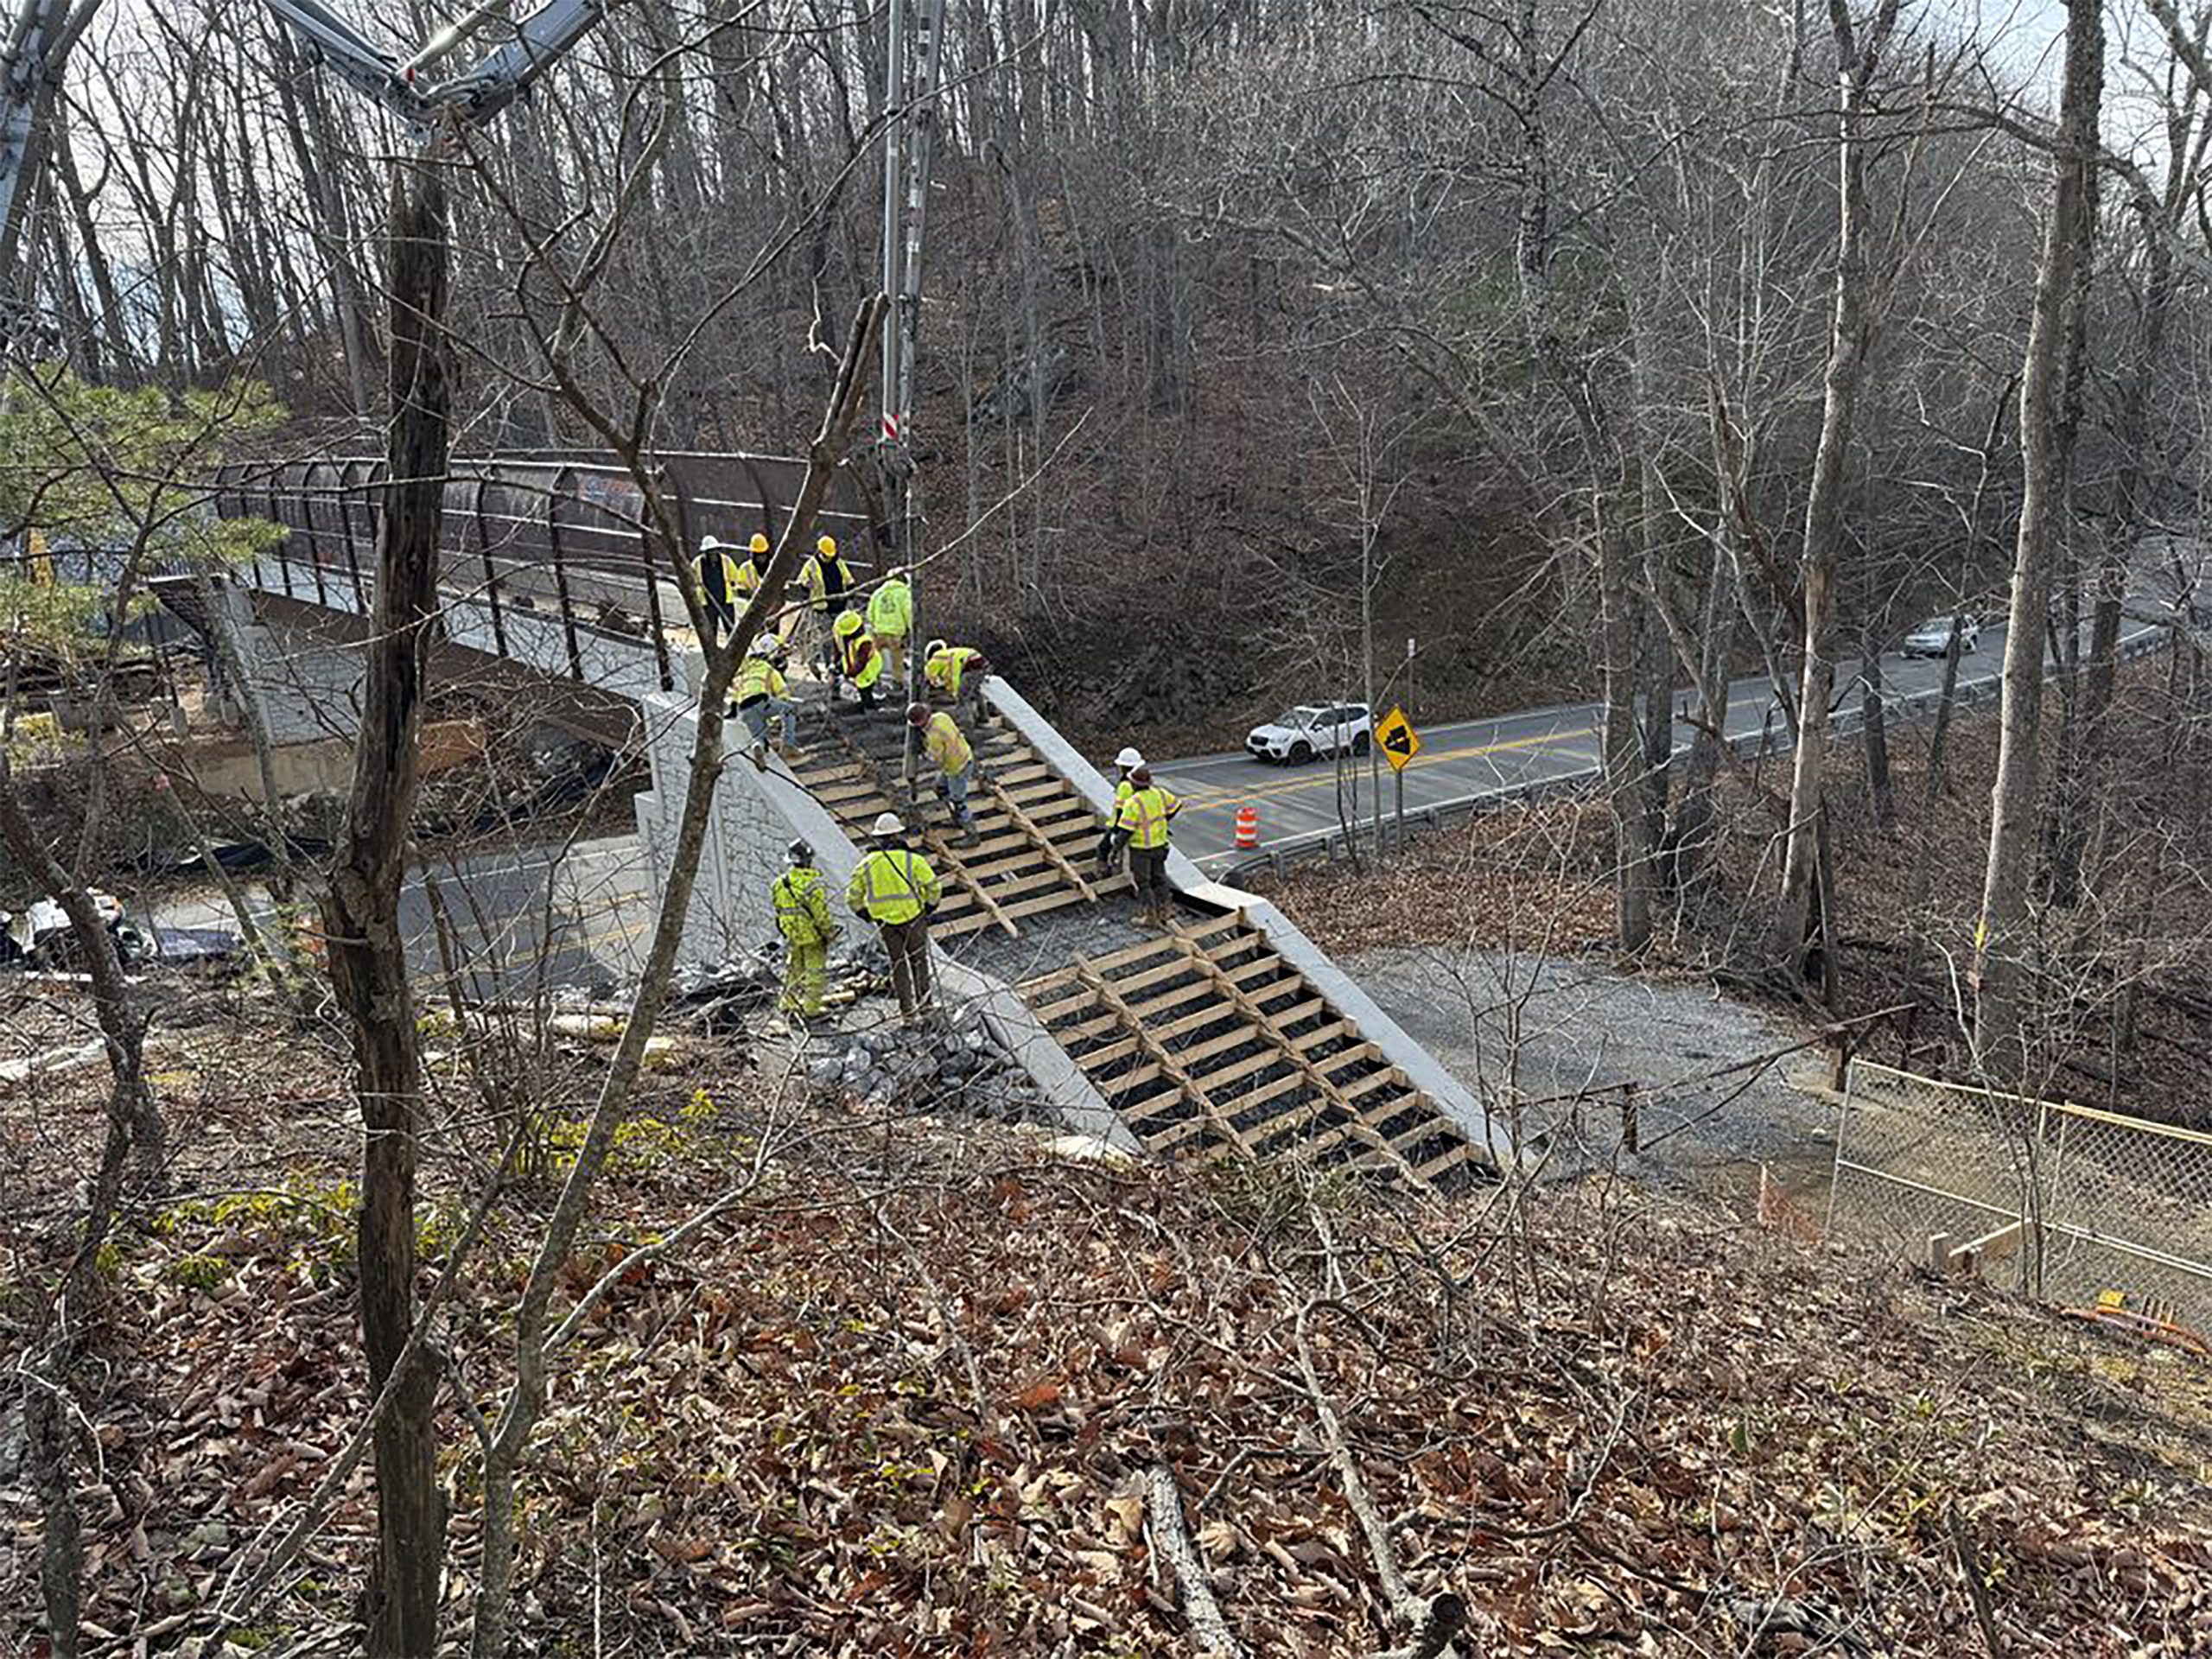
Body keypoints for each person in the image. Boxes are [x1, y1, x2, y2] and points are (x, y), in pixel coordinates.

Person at [847, 811, 942, 1020]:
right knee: (919, 962)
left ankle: (907, 1012)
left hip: (887, 924)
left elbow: (852, 896)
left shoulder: (867, 864)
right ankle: (925, 1006)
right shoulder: (913, 860)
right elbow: (933, 886)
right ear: (898, 836)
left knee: (898, 965)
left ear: (879, 838)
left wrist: (864, 913)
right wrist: (929, 906)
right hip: (914, 918)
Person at [771, 839, 837, 1019]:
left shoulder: (779, 883)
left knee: (793, 969)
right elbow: (820, 914)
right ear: (808, 860)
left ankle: (788, 1003)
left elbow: (778, 908)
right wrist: (829, 932)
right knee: (815, 972)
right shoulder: (813, 884)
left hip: (791, 933)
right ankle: (811, 1009)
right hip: (811, 934)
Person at [1113, 764, 1181, 927]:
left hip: (1141, 849)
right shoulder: (1159, 794)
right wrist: (1165, 819)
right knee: (1159, 878)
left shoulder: (1133, 802)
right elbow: (1176, 805)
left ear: (1134, 784)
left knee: (1143, 882)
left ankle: (1151, 916)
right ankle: (1165, 910)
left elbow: (1125, 832)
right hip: (1160, 845)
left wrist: (1115, 849)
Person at [910, 701, 978, 838]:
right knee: (939, 788)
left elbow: (936, 759)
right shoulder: (942, 716)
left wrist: (923, 751)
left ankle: (972, 834)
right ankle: (957, 817)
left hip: (957, 768)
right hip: (964, 756)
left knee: (958, 801)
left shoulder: (934, 737)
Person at [732, 635, 804, 761]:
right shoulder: (769, 669)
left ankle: (758, 747)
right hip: (762, 702)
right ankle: (788, 745)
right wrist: (779, 715)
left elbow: (735, 692)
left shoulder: (745, 671)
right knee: (789, 710)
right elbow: (783, 696)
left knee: (761, 738)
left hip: (744, 709)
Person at [802, 534, 855, 677]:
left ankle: (839, 666)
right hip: (822, 609)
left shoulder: (839, 563)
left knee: (841, 639)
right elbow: (802, 582)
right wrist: (806, 585)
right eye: (827, 555)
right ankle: (828, 666)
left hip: (839, 607)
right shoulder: (811, 565)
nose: (830, 558)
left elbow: (849, 580)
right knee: (826, 639)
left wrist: (850, 597)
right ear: (820, 552)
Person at [1096, 745, 1144, 874]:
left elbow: (1120, 810)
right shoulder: (1141, 783)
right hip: (1137, 825)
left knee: (1102, 849)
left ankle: (1104, 871)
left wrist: (1116, 831)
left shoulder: (1125, 786)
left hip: (1121, 826)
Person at [832, 600, 885, 710]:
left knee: (865, 688)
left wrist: (848, 674)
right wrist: (836, 664)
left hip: (868, 669)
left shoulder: (865, 643)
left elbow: (861, 663)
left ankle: (870, 707)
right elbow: (838, 648)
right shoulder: (842, 634)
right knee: (861, 685)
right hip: (854, 664)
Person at [692, 535, 742, 650]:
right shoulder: (697, 563)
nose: (713, 554)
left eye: (714, 551)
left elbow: (735, 577)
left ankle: (733, 651)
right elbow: (692, 581)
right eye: (710, 552)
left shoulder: (726, 561)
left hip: (725, 601)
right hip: (708, 603)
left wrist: (733, 587)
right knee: (710, 630)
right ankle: (712, 651)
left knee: (730, 628)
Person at [867, 567, 914, 688]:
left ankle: (874, 680)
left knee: (874, 658)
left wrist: (876, 625)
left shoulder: (877, 593)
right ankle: (897, 682)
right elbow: (908, 613)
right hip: (896, 634)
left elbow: (870, 614)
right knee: (897, 661)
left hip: (878, 632)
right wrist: (911, 629)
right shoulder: (905, 593)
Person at [923, 637, 992, 715]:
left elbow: (954, 675)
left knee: (962, 697)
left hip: (973, 667)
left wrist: (955, 692)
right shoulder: (948, 655)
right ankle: (984, 717)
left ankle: (966, 723)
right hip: (982, 665)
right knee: (976, 692)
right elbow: (949, 674)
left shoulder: (934, 661)